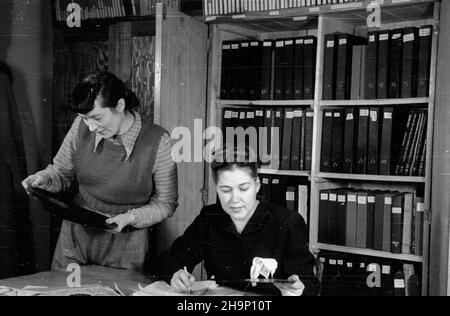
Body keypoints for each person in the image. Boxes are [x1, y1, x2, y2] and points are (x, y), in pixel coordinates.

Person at [21, 71, 178, 271]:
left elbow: (166, 203)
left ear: (120, 105)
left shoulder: (159, 140)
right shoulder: (82, 125)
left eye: (97, 118)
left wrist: (131, 218)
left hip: (127, 238)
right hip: (77, 229)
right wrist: (42, 178)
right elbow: (60, 172)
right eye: (85, 119)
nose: (91, 127)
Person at [160, 147, 319, 296]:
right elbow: (171, 260)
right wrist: (176, 274)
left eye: (243, 188)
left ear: (257, 185)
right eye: (226, 190)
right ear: (216, 188)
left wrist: (299, 288)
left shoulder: (287, 221)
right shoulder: (209, 217)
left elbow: (309, 284)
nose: (235, 199)